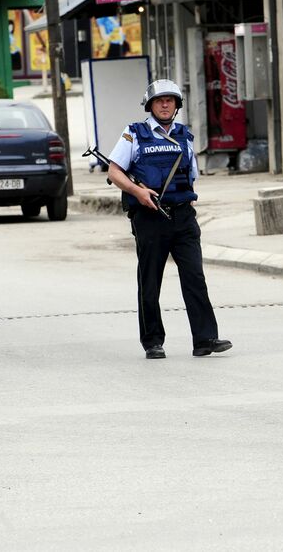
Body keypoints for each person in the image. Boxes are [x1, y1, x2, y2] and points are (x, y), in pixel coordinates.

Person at [107, 79, 232, 360]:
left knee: (195, 278)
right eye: (159, 100)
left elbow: (192, 176)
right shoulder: (134, 133)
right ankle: (152, 341)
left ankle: (205, 339)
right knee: (150, 281)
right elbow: (114, 171)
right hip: (150, 216)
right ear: (150, 105)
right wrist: (137, 192)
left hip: (183, 216)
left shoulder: (184, 136)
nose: (165, 104)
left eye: (170, 100)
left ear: (177, 106)